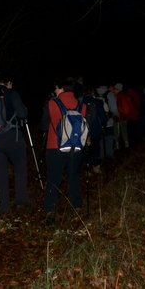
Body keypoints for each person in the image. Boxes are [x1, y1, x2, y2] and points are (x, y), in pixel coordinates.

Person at [40, 76, 87, 226]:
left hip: (55, 147)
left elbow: (42, 125)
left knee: (53, 179)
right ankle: (76, 204)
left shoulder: (52, 104)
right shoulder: (82, 105)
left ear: (60, 88)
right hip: (76, 146)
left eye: (56, 88)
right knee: (73, 175)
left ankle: (50, 210)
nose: (55, 91)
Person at [0, 76, 29, 214]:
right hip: (13, 137)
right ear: (9, 83)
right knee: (20, 168)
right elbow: (23, 114)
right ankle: (21, 202)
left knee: (0, 172)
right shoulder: (12, 93)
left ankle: (3, 206)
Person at [113, 83, 130, 149]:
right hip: (123, 115)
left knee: (116, 130)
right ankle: (126, 143)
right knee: (124, 129)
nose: (114, 90)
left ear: (118, 89)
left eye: (115, 89)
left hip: (117, 115)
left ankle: (117, 144)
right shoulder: (124, 95)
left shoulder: (117, 96)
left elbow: (116, 106)